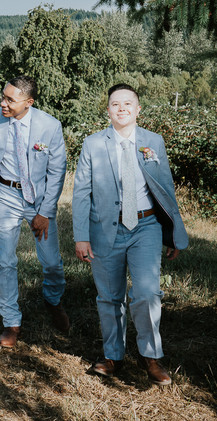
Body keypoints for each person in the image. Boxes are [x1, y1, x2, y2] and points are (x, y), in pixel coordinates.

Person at [71, 83, 188, 385]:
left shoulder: (154, 142)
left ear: (138, 109)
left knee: (147, 293)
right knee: (109, 297)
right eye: (114, 104)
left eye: (127, 104)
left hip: (145, 226)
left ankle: (151, 356)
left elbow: (165, 188)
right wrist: (81, 236)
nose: (121, 109)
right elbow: (82, 193)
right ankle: (113, 356)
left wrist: (173, 233)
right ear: (107, 110)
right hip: (104, 229)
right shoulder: (92, 144)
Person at [0, 75, 69, 348]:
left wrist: (45, 211)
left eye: (10, 100)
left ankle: (53, 300)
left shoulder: (50, 126)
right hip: (4, 196)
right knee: (6, 262)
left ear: (29, 102)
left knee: (51, 262)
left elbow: (57, 171)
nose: (3, 103)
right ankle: (11, 322)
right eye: (3, 96)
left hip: (39, 200)